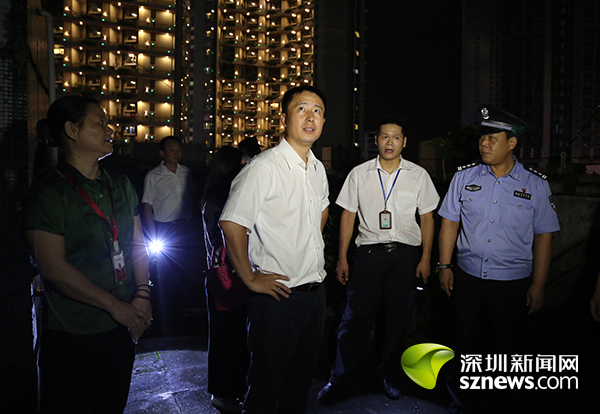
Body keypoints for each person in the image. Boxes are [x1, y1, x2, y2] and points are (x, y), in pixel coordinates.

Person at [23, 95, 152, 413]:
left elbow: (138, 243)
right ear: (72, 130)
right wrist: (116, 307)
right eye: (100, 122)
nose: (110, 129)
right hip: (74, 333)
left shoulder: (120, 184)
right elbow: (53, 268)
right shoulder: (49, 192)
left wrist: (142, 294)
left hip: (120, 329)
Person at [437, 106, 560, 413]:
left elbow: (544, 237)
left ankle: (507, 404)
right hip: (468, 279)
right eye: (483, 137)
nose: (484, 143)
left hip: (512, 285)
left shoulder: (535, 184)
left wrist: (539, 284)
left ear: (511, 143)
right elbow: (449, 223)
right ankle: (460, 404)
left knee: (509, 351)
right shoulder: (464, 177)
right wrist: (445, 266)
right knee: (465, 346)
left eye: (492, 138)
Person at [219, 85, 329, 414]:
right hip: (278, 296)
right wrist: (251, 278)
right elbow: (232, 223)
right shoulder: (264, 167)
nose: (310, 117)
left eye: (317, 111)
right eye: (302, 109)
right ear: (283, 119)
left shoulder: (317, 168)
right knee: (266, 386)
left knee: (300, 384)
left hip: (314, 293)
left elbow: (322, 210)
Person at [318, 116, 439, 403]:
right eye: (384, 136)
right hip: (369, 255)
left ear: (404, 142)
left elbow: (427, 218)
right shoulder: (359, 174)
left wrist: (425, 258)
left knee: (397, 321)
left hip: (405, 256)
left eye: (395, 137)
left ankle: (388, 375)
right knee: (354, 320)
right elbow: (348, 216)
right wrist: (343, 257)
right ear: (376, 140)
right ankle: (340, 379)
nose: (389, 142)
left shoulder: (418, 175)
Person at [202, 146, 249, 413]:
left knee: (233, 336)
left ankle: (232, 390)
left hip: (231, 277)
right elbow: (220, 242)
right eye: (241, 164)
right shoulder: (218, 202)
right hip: (226, 278)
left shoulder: (220, 198)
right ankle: (222, 393)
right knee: (225, 338)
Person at [141, 135, 196, 329]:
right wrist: (151, 232)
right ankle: (164, 313)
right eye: (172, 150)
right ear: (162, 153)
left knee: (183, 270)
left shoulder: (186, 172)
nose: (176, 153)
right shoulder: (153, 175)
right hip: (164, 228)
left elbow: (192, 197)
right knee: (164, 272)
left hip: (184, 227)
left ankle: (178, 311)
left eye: (179, 149)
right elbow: (147, 205)